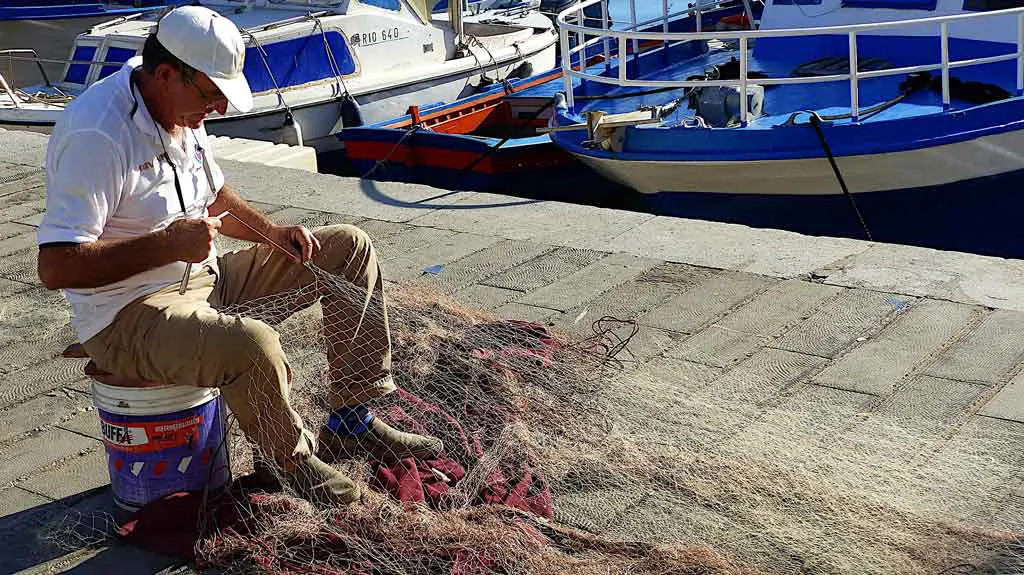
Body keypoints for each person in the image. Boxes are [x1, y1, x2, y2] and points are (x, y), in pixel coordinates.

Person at [36, 5, 441, 506]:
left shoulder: (179, 107)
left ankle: (352, 419)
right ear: (166, 74)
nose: (219, 109)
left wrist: (271, 233)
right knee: (253, 345)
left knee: (347, 249)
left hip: (200, 278)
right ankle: (290, 463)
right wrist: (167, 244)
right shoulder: (97, 135)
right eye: (211, 95)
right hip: (125, 316)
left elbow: (215, 197)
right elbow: (56, 266)